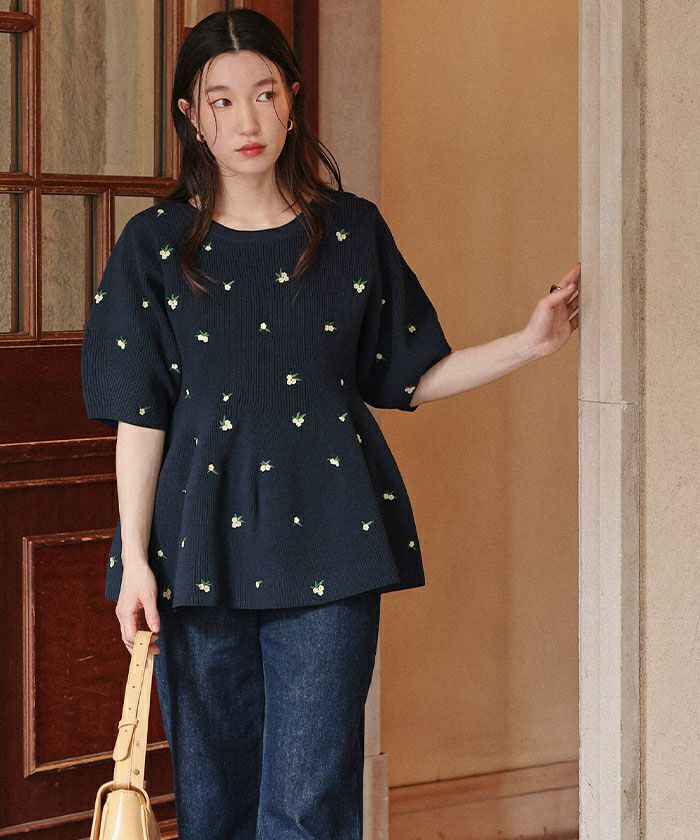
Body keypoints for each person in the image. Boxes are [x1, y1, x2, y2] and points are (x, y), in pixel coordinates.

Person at [80, 8, 580, 840]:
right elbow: (141, 416)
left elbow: (407, 374)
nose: (247, 120)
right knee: (213, 802)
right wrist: (134, 558)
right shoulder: (154, 246)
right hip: (194, 553)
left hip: (330, 545)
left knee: (310, 803)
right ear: (191, 116)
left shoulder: (351, 232)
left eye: (265, 94)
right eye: (222, 100)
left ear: (293, 99)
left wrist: (528, 344)